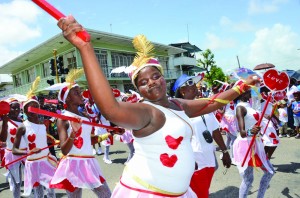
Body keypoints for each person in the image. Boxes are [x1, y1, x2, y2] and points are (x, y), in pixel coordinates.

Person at [57, 15, 258, 197]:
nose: (151, 82)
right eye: (143, 82)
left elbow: (210, 103)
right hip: (146, 192)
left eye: (155, 76)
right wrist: (86, 49)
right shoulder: (147, 111)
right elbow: (111, 109)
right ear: (139, 89)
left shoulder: (177, 104)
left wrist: (242, 86)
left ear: (163, 77)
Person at [49, 70, 115, 198]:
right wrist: (73, 133)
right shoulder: (63, 118)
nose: (81, 94)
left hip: (88, 162)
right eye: (76, 92)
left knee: (106, 195)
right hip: (72, 164)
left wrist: (110, 133)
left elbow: (89, 141)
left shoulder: (84, 116)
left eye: (80, 91)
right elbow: (64, 150)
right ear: (68, 97)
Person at [173, 74, 231, 198]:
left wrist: (225, 151)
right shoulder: (178, 111)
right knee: (197, 194)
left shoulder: (204, 105)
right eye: (190, 84)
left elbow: (215, 130)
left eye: (194, 83)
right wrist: (187, 159)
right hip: (194, 162)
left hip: (208, 159)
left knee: (202, 192)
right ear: (182, 91)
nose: (194, 86)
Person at [12, 79, 57, 198]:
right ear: (25, 110)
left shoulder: (42, 124)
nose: (33, 110)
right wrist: (28, 151)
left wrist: (51, 139)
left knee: (51, 188)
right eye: (29, 108)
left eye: (35, 107)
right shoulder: (22, 127)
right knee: (39, 192)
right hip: (33, 164)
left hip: (46, 160)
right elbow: (14, 150)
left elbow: (42, 137)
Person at [234, 89, 274, 198]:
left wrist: (265, 117)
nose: (250, 93)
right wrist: (250, 131)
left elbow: (255, 118)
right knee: (248, 179)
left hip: (256, 143)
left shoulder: (249, 106)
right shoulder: (240, 108)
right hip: (245, 144)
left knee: (270, 171)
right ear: (240, 93)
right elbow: (242, 132)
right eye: (247, 91)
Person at [0, 98, 26, 198]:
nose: (16, 110)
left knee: (32, 178)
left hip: (25, 153)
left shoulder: (22, 121)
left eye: (18, 108)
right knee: (17, 182)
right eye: (13, 108)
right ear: (8, 108)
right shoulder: (4, 122)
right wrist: (5, 123)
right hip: (12, 154)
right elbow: (2, 138)